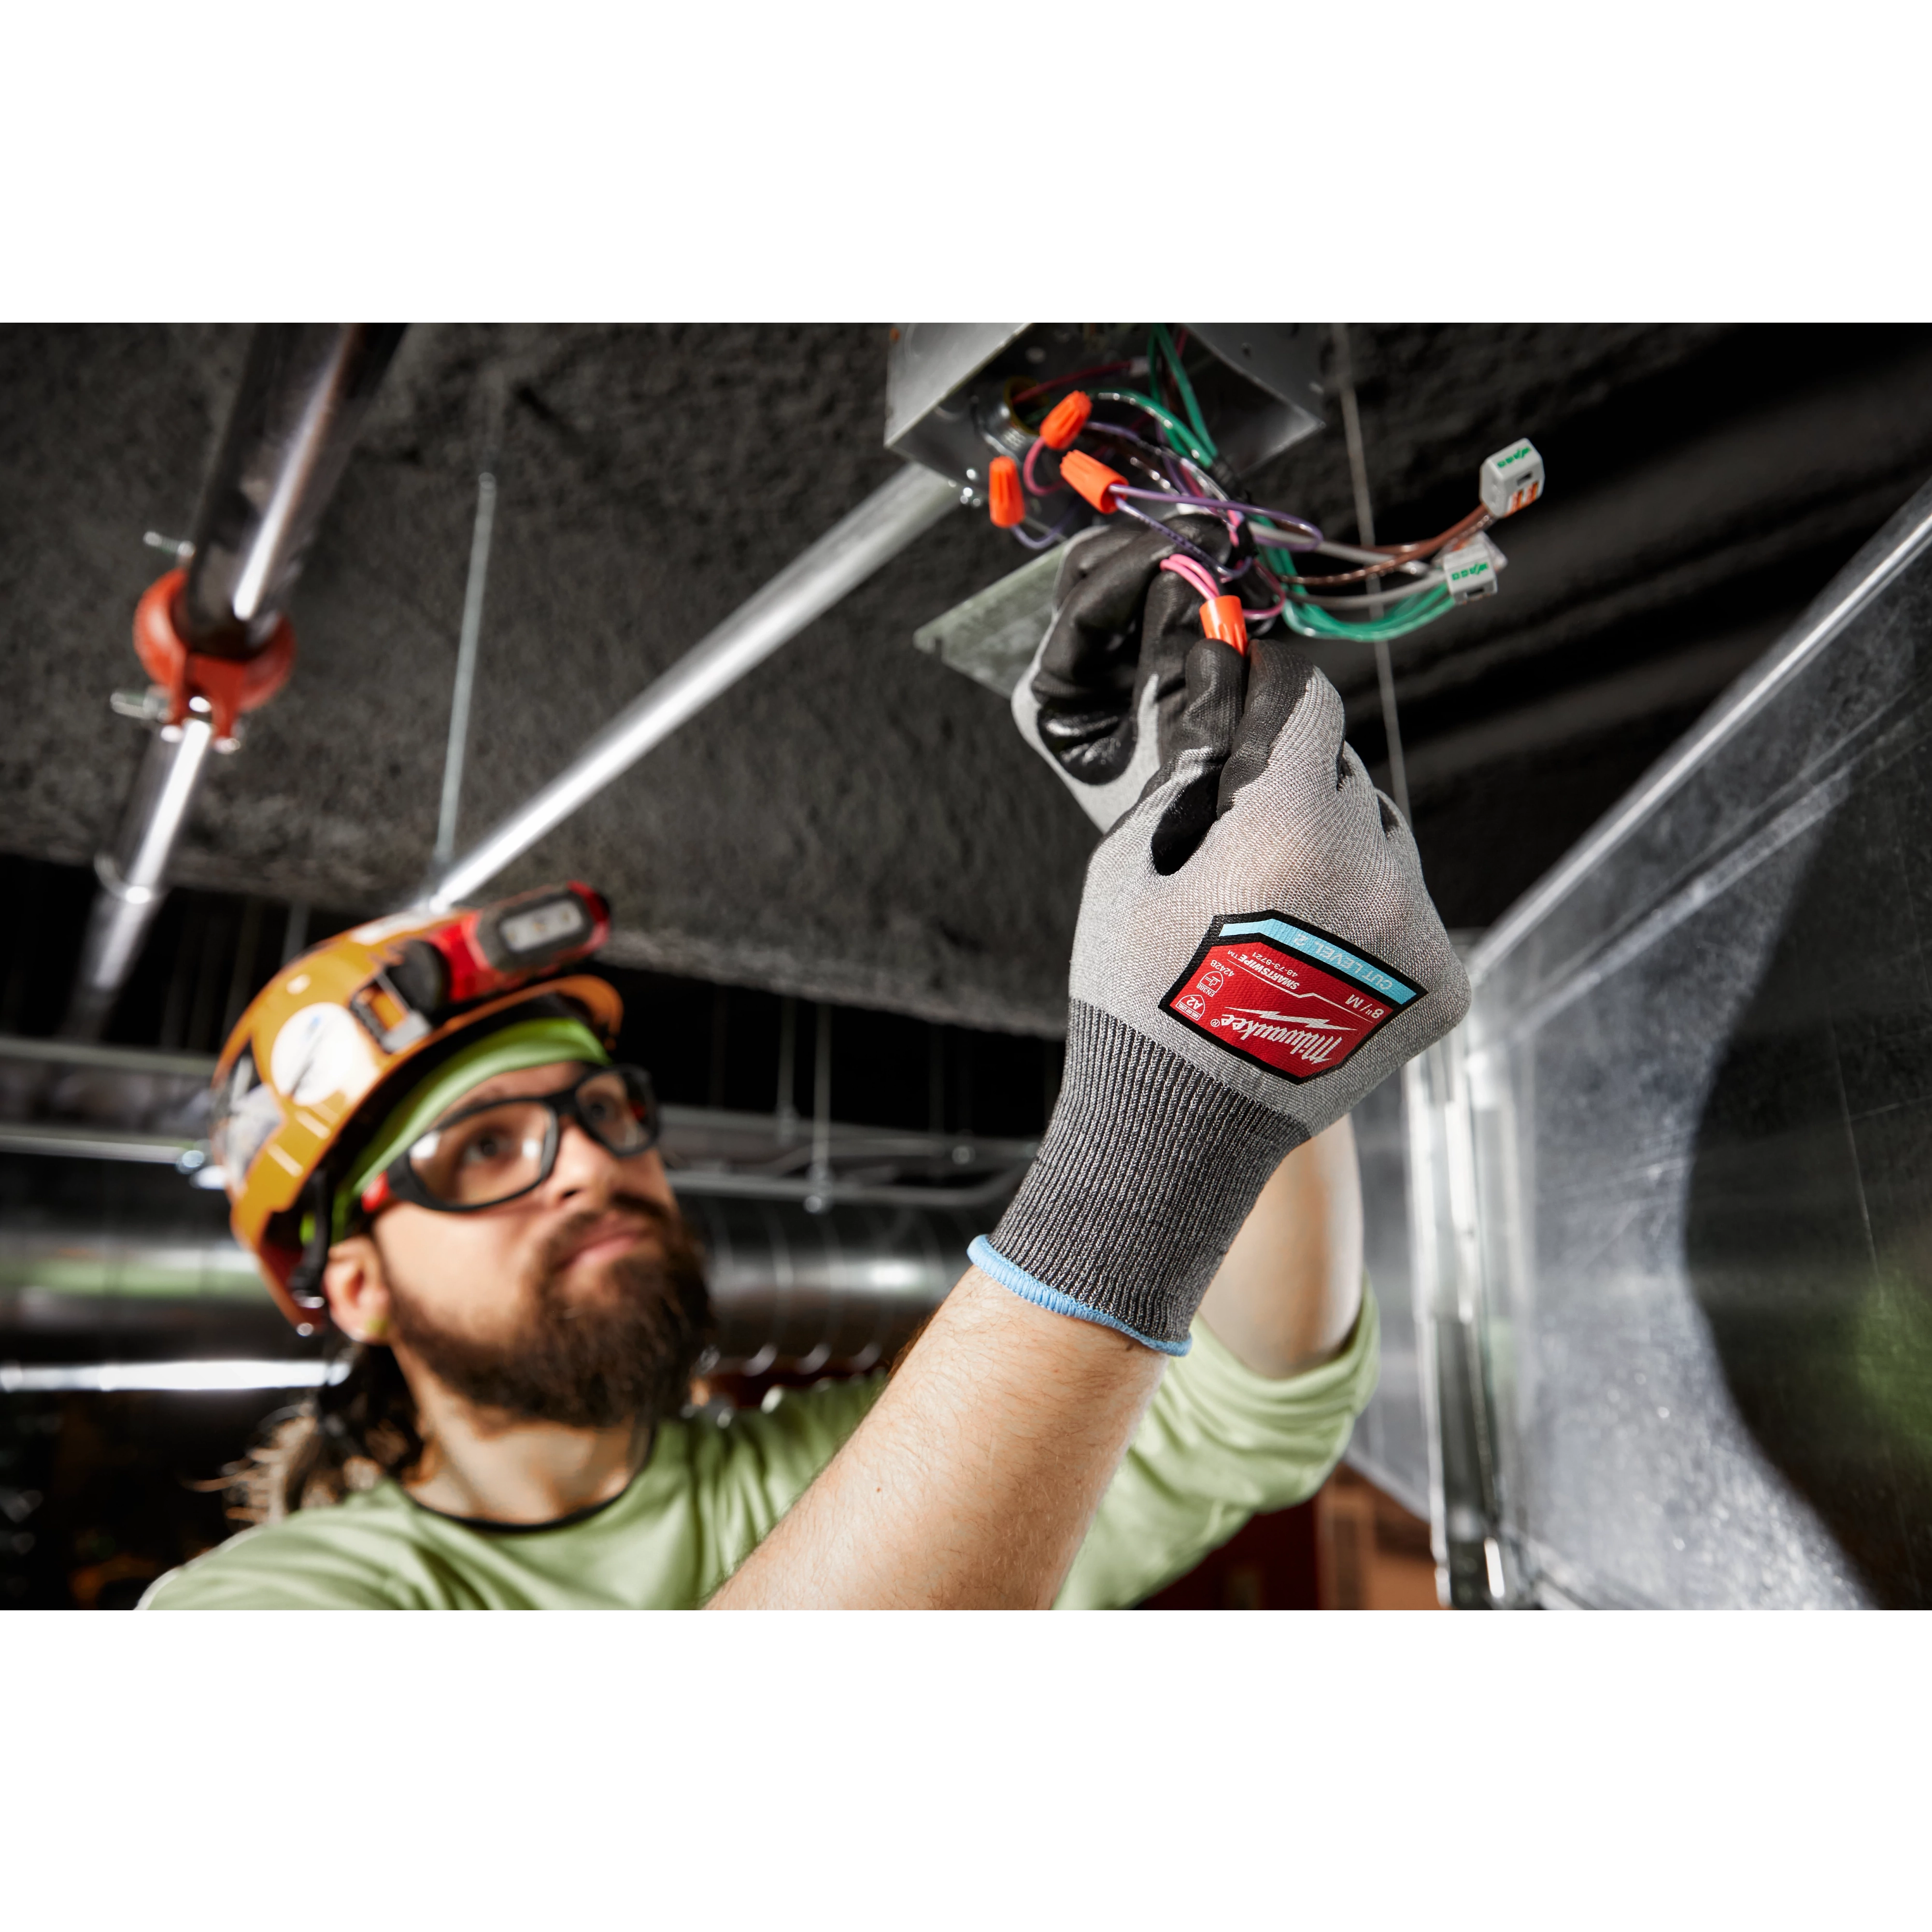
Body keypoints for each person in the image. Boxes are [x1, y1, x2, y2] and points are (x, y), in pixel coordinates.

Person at [143, 519, 1464, 1611]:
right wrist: (1145, 1150)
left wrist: (1206, 890)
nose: (592, 1164)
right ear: (359, 1287)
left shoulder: (787, 1481)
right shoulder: (274, 1596)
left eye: (599, 1110)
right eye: (486, 1149)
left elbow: (1248, 1412)